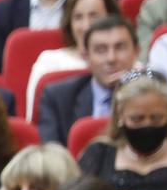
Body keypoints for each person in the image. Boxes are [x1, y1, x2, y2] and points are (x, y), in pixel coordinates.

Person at [77, 70, 167, 190]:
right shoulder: (99, 154)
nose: (147, 125)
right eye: (137, 119)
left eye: (156, 118)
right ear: (120, 116)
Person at [40, 15, 141, 151]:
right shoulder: (58, 97)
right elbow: (52, 157)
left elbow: (154, 77)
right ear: (86, 57)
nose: (111, 58)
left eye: (120, 47)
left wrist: (131, 82)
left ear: (136, 51)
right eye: (101, 50)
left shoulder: (153, 89)